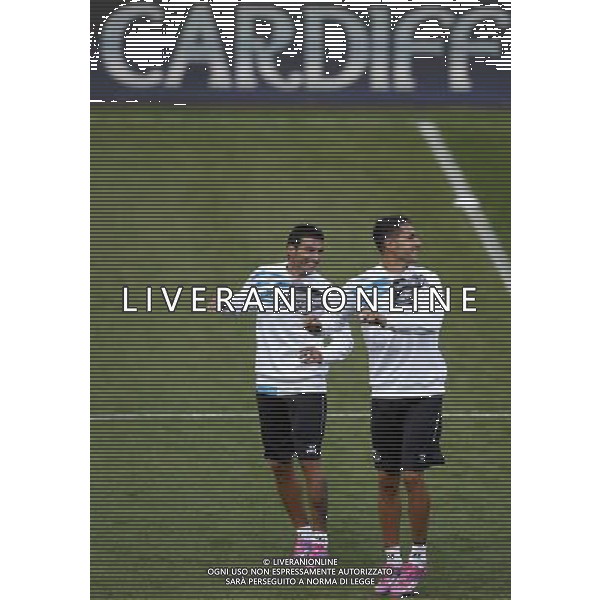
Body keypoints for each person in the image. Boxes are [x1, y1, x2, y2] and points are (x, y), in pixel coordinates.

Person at [212, 224, 353, 558]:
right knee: (279, 464)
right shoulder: (263, 276)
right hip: (267, 386)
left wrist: (324, 354)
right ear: (290, 249)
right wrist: (219, 302)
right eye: (309, 250)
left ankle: (320, 538)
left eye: (320, 252)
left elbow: (345, 341)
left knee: (310, 462)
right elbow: (238, 305)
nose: (314, 258)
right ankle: (302, 532)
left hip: (307, 387)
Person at [340, 216, 447, 597]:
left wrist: (384, 317)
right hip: (384, 393)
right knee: (386, 478)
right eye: (409, 237)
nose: (417, 241)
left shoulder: (428, 280)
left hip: (424, 389)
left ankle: (417, 559)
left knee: (413, 476)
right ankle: (391, 560)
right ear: (388, 244)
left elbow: (429, 324)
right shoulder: (359, 284)